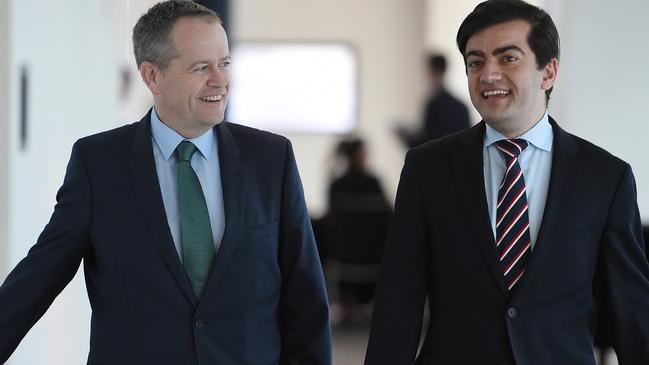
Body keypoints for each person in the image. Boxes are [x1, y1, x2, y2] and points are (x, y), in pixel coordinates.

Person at [0, 1, 331, 364]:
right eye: (200, 67)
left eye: (224, 63)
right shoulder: (99, 164)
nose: (219, 80)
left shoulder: (270, 159)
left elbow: (306, 299)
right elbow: (37, 279)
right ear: (151, 76)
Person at [365, 0, 649, 364]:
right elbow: (398, 300)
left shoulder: (604, 177)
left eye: (508, 58)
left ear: (548, 72)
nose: (488, 75)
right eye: (475, 62)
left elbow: (631, 308)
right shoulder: (428, 168)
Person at [326, 138, 392, 322]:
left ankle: (348, 302)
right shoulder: (373, 183)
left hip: (344, 256)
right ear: (358, 155)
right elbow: (390, 218)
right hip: (376, 257)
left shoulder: (336, 185)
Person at [396, 54, 471, 147]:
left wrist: (406, 138)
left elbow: (427, 144)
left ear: (431, 71)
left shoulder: (434, 105)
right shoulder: (461, 106)